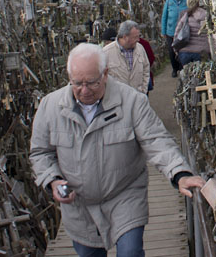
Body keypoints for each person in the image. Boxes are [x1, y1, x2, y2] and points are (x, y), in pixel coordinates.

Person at [30, 43, 204, 257]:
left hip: (125, 195)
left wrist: (180, 174)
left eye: (91, 83)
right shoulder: (50, 107)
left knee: (130, 252)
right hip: (79, 205)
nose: (84, 90)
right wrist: (52, 180)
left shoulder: (131, 102)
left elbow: (157, 140)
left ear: (105, 74)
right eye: (77, 83)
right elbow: (40, 153)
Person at [103, 20, 151, 94]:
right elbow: (102, 77)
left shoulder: (140, 49)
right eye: (135, 37)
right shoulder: (106, 52)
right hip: (117, 101)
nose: (138, 40)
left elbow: (146, 69)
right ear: (125, 37)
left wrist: (143, 91)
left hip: (137, 98)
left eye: (138, 36)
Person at [173, 0, 210, 67]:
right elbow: (211, 34)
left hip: (185, 52)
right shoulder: (205, 15)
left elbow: (177, 33)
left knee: (187, 75)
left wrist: (176, 50)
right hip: (202, 52)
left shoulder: (185, 16)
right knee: (202, 74)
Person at [160, 0, 187, 77]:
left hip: (182, 31)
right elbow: (164, 17)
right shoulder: (169, 2)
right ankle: (174, 69)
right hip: (170, 31)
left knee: (182, 50)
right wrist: (163, 31)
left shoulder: (186, 1)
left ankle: (182, 67)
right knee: (171, 51)